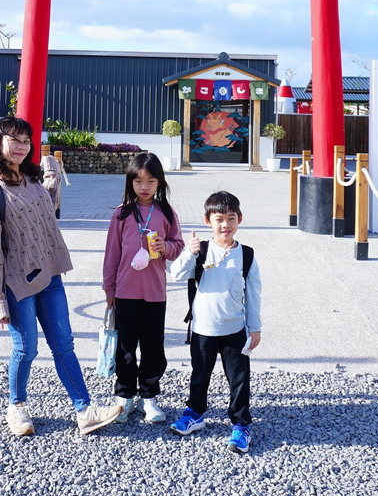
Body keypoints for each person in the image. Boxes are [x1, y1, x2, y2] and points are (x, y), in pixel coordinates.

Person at [0, 116, 122, 437]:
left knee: (64, 345)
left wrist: (51, 167)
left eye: (26, 141)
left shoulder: (32, 184)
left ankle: (84, 410)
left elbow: (45, 205)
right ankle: (17, 406)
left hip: (50, 277)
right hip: (17, 285)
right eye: (15, 140)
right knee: (26, 349)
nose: (22, 147)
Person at [169, 190, 261, 454]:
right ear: (208, 220)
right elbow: (175, 274)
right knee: (200, 376)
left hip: (235, 330)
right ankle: (195, 413)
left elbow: (254, 294)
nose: (225, 225)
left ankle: (241, 424)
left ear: (240, 219)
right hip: (203, 330)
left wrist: (254, 327)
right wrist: (188, 252)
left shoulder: (247, 255)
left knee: (240, 379)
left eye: (231, 218)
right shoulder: (201, 251)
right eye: (219, 218)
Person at [103, 152, 184, 424]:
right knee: (125, 348)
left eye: (150, 181)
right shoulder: (121, 214)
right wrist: (109, 289)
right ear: (130, 182)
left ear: (160, 183)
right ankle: (124, 396)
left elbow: (178, 246)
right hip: (124, 293)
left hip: (154, 293)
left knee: (152, 347)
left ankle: (149, 397)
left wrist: (166, 248)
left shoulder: (167, 213)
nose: (144, 187)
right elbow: (111, 255)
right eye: (138, 181)